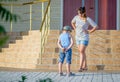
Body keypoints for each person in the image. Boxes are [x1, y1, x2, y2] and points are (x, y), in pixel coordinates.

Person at [71, 6, 98, 72]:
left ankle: (80, 67)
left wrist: (89, 31)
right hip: (77, 37)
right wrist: (75, 29)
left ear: (84, 13)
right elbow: (72, 22)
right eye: (78, 13)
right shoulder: (76, 17)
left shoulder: (88, 19)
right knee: (82, 52)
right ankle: (85, 66)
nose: (79, 14)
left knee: (81, 51)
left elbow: (96, 26)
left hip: (84, 37)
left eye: (80, 13)